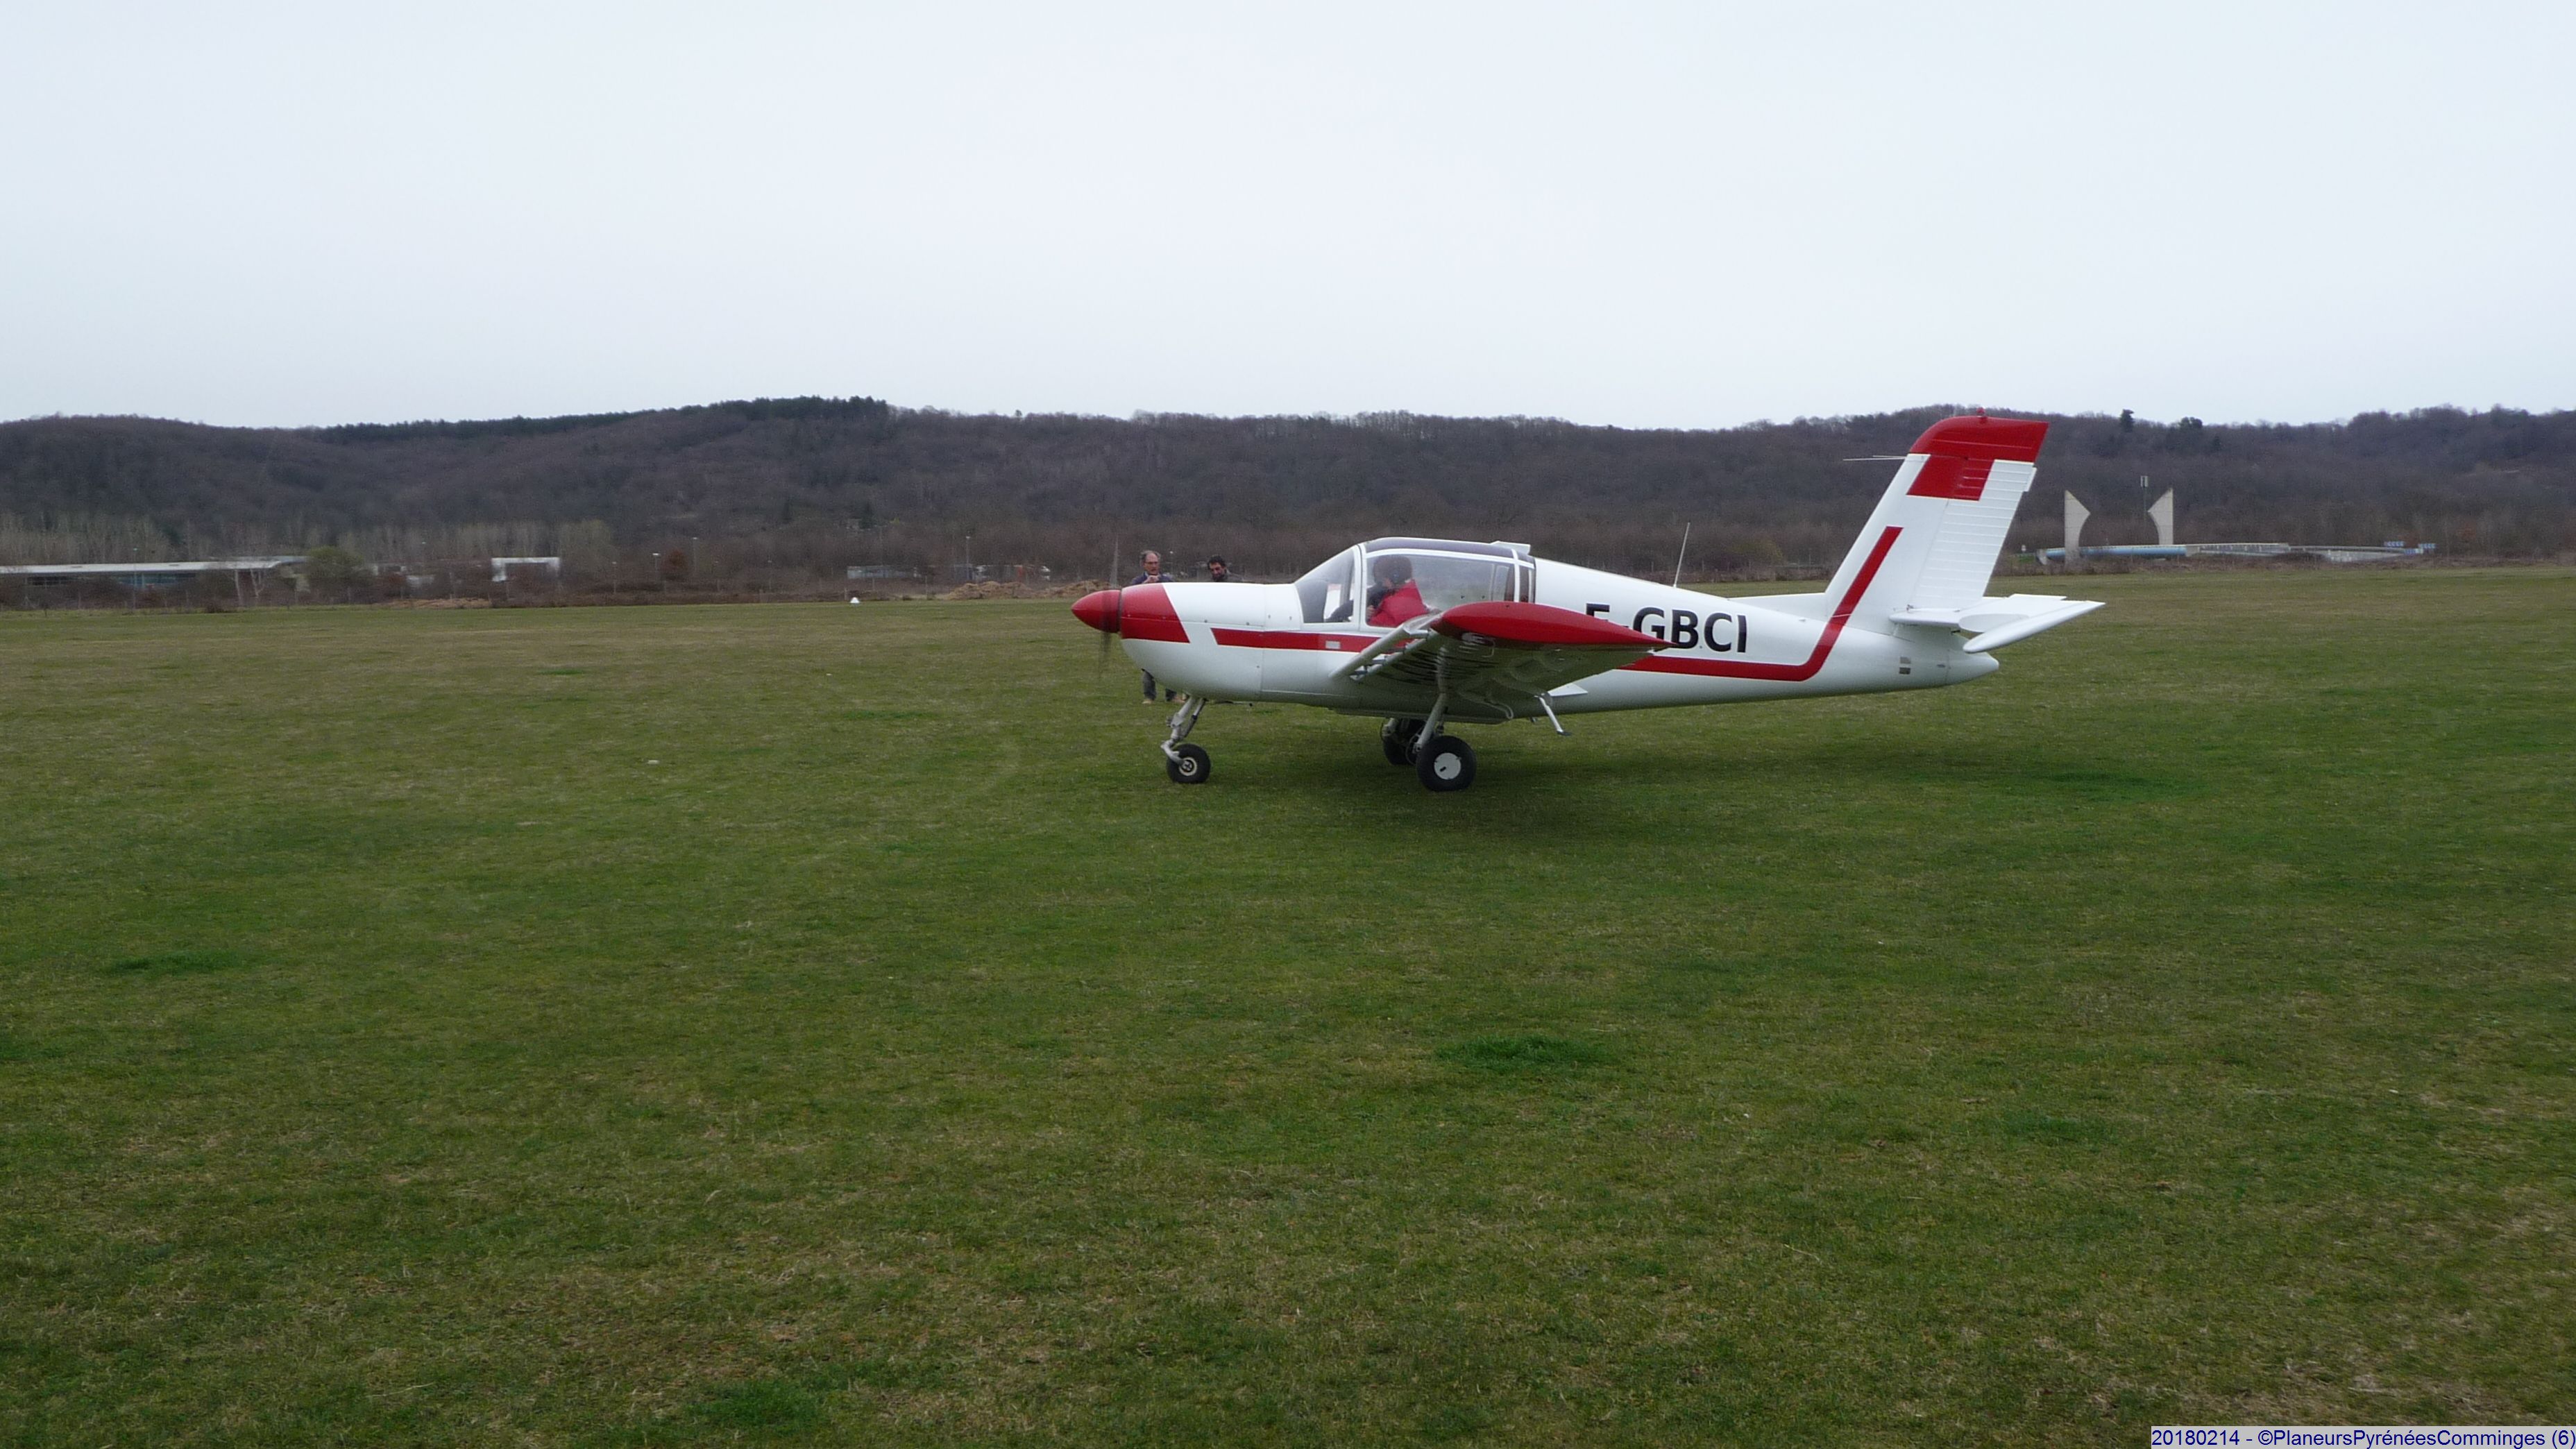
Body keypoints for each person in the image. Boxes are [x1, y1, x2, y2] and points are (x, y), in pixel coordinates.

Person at [1130, 551, 1174, 700]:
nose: (1154, 566)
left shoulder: (1168, 581)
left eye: (1156, 563)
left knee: (1171, 661)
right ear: (1144, 565)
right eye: (1150, 563)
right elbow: (1131, 600)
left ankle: (1172, 695)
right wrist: (1145, 586)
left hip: (1166, 626)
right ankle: (1149, 696)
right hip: (1148, 628)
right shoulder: (1137, 582)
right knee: (1149, 662)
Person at [1366, 556, 1427, 626]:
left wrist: (1365, 617)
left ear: (1395, 577)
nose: (1383, 584)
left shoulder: (1400, 603)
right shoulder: (1408, 593)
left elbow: (1374, 626)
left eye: (1383, 579)